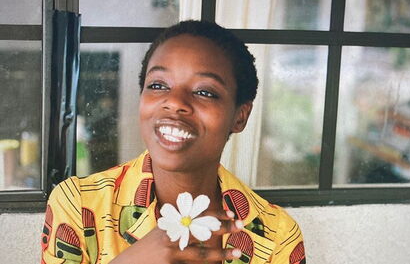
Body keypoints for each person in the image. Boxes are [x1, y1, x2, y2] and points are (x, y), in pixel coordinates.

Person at [41, 20, 306, 264]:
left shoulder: (276, 236)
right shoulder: (79, 204)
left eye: (204, 91)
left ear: (240, 116)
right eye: (157, 85)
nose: (175, 102)